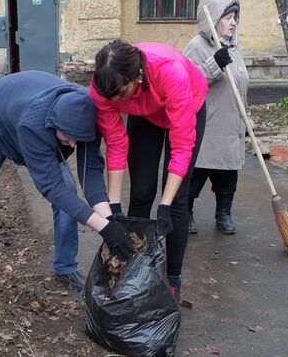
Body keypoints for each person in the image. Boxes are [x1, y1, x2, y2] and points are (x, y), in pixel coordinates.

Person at [0, 71, 136, 289]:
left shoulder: (86, 116)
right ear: (53, 125)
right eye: (66, 138)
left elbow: (91, 173)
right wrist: (103, 228)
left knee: (69, 191)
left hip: (21, 112)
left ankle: (65, 267)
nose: (72, 144)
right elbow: (51, 188)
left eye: (78, 140)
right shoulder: (33, 125)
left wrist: (109, 220)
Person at [89, 40, 210, 301]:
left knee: (177, 200)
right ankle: (135, 269)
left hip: (185, 102)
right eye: (112, 97)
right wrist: (114, 204)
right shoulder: (104, 87)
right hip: (144, 113)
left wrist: (164, 205)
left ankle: (173, 279)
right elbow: (117, 143)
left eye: (121, 93)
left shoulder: (170, 71)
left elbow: (181, 148)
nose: (114, 101)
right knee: (142, 191)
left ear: (138, 75)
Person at [184, 0, 246, 235]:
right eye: (227, 17)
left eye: (234, 18)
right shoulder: (196, 46)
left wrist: (245, 118)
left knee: (228, 179)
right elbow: (187, 83)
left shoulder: (233, 47)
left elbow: (240, 84)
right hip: (208, 126)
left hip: (232, 124)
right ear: (213, 20)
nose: (233, 23)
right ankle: (186, 212)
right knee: (196, 176)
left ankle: (224, 214)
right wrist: (213, 65)